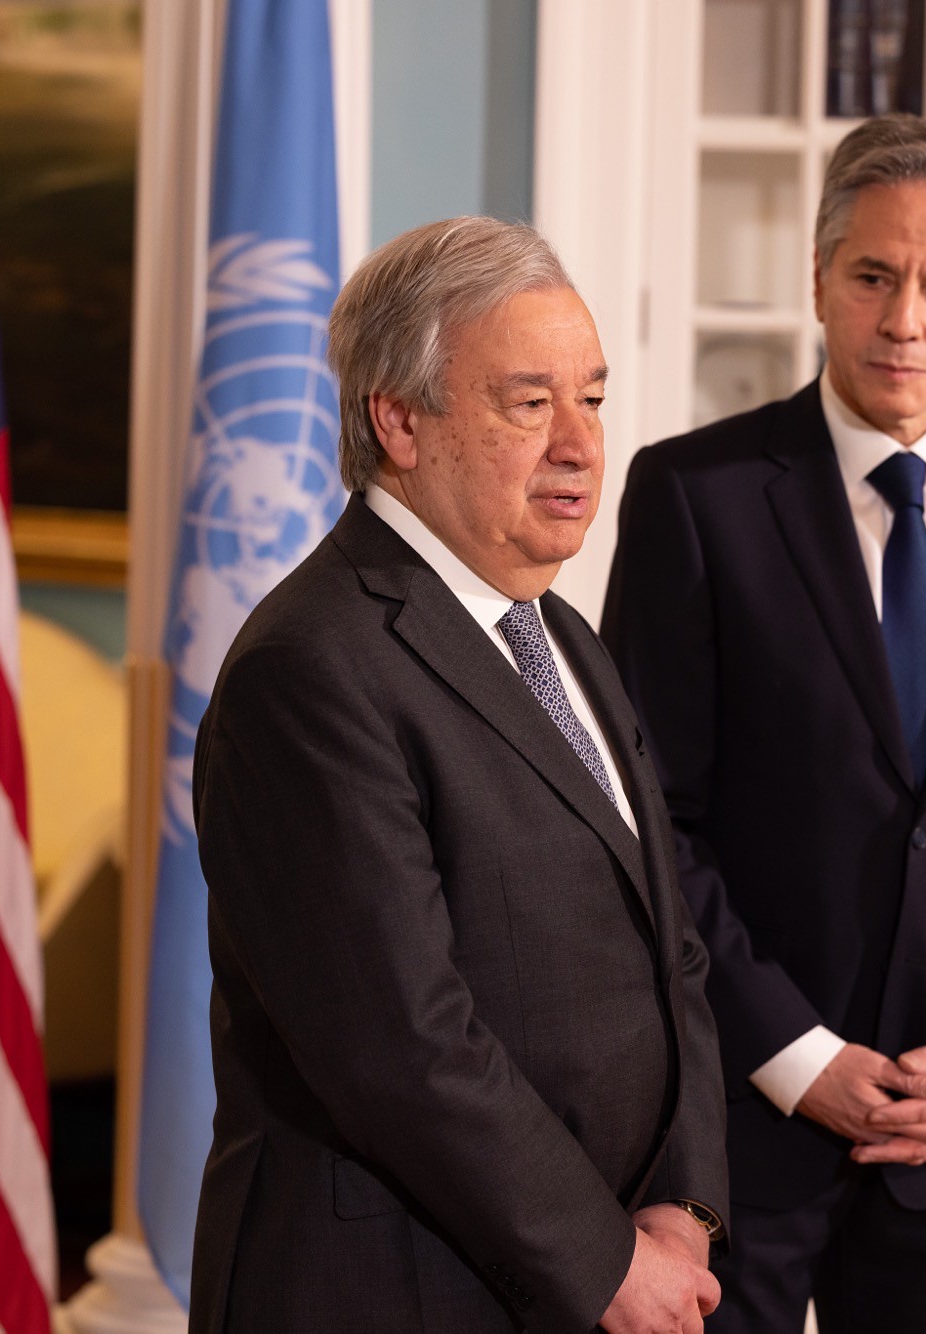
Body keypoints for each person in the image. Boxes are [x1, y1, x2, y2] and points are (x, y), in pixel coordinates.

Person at [601, 115, 926, 1332]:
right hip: (735, 1117)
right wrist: (796, 1055)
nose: (903, 319)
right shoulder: (695, 495)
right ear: (818, 279)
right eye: (872, 276)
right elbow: (648, 823)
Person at [187, 216, 729, 1334]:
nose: (580, 444)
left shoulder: (561, 636)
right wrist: (607, 1263)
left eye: (592, 398)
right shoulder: (311, 667)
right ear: (399, 421)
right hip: (395, 1289)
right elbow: (402, 1043)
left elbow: (666, 951)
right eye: (529, 403)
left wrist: (683, 1207)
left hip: (594, 1271)